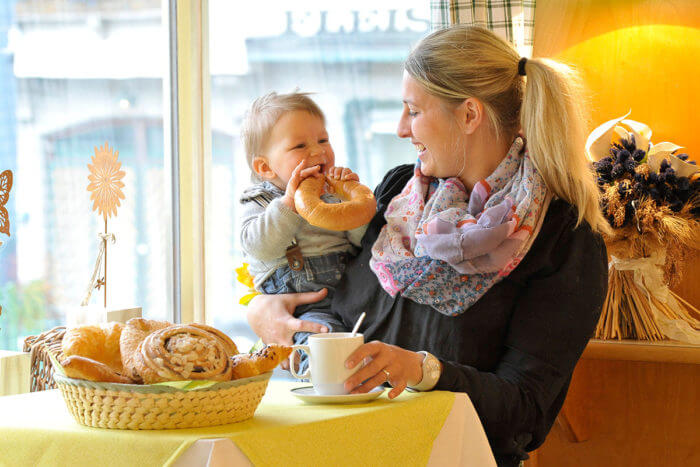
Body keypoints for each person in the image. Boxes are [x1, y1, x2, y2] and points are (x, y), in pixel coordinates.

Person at [246, 25, 609, 466]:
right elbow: (335, 301)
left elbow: (525, 410)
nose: (401, 129)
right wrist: (276, 317)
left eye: (413, 111)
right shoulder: (397, 192)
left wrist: (422, 370)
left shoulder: (564, 236)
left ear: (470, 115)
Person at [239, 91, 364, 345]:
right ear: (265, 167)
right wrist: (289, 204)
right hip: (302, 306)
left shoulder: (331, 192)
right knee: (323, 339)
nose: (319, 151)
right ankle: (315, 376)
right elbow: (259, 247)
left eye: (323, 139)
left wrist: (352, 203)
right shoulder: (260, 200)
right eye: (300, 146)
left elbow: (364, 241)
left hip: (349, 295)